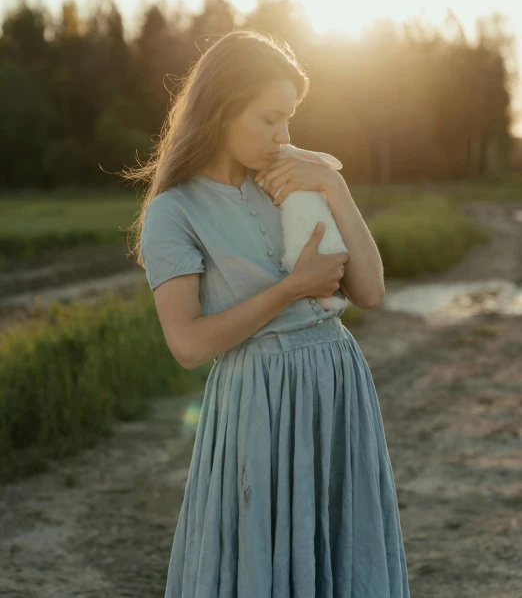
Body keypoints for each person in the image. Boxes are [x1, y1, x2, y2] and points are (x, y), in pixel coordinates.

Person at [128, 30, 410, 597]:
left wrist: (333, 185)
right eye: (269, 119)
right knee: (265, 561)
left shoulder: (290, 177)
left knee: (341, 554)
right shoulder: (174, 211)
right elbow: (187, 345)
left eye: (289, 120)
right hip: (259, 396)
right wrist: (293, 288)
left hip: (337, 382)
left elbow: (371, 290)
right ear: (222, 109)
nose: (284, 137)